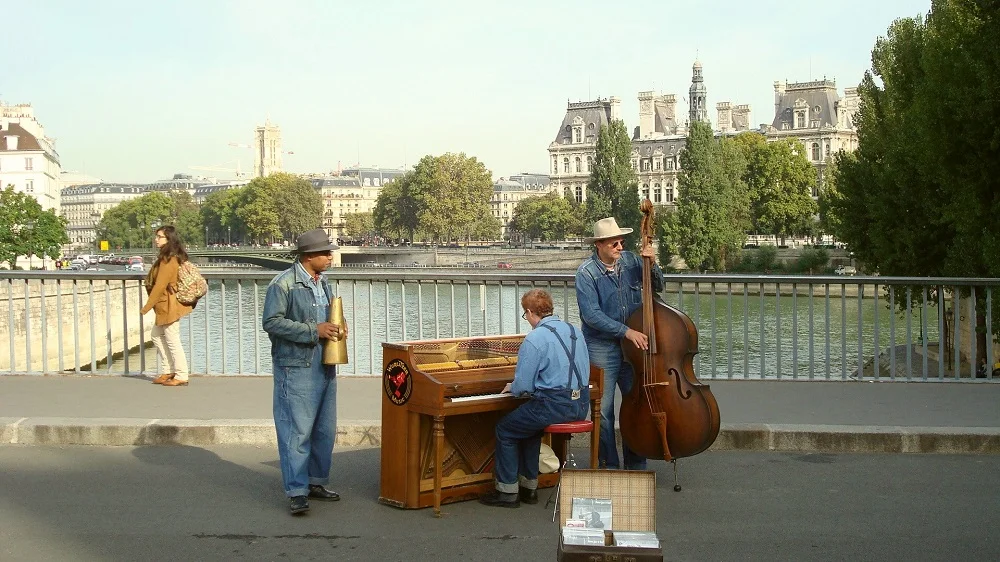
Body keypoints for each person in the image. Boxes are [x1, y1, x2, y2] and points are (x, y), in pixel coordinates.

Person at [262, 228, 348, 515]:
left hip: (323, 364)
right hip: (295, 367)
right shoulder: (283, 284)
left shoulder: (322, 283)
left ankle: (316, 481)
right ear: (309, 256)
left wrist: (338, 326)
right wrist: (315, 330)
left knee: (324, 429)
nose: (331, 256)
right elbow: (272, 323)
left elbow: (327, 319)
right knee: (296, 431)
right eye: (326, 253)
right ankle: (297, 491)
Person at [479, 289, 591, 508]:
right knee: (528, 429)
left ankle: (507, 491)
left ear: (530, 313)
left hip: (554, 406)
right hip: (581, 403)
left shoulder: (535, 338)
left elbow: (523, 387)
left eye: (525, 315)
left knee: (505, 429)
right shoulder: (574, 330)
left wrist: (513, 386)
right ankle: (529, 488)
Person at [575, 217, 663, 470]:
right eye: (615, 243)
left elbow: (659, 287)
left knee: (637, 405)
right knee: (603, 411)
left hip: (633, 346)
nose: (620, 247)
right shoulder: (586, 273)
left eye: (622, 242)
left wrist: (653, 264)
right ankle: (609, 465)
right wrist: (626, 331)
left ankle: (636, 463)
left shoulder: (633, 261)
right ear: (599, 245)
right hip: (602, 346)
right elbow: (591, 315)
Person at [141, 225, 193, 387]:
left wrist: (146, 307)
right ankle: (168, 370)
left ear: (168, 239)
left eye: (159, 237)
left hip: (169, 304)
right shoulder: (166, 257)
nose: (156, 239)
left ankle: (181, 374)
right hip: (164, 305)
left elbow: (160, 285)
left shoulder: (168, 259)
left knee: (172, 340)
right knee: (157, 335)